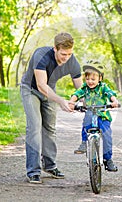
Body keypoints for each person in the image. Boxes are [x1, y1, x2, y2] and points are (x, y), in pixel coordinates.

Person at [20, 32, 82, 184]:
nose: (66, 58)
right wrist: (61, 101)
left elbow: (81, 88)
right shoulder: (41, 55)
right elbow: (41, 85)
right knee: (34, 127)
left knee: (50, 128)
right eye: (63, 54)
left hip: (49, 91)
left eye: (69, 54)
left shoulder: (72, 61)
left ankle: (49, 165)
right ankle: (33, 171)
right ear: (55, 48)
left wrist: (85, 102)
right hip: (31, 89)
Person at [69, 60, 119, 172]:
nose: (90, 81)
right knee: (86, 124)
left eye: (93, 79)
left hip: (102, 115)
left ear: (100, 78)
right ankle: (84, 143)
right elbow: (77, 94)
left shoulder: (103, 87)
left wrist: (114, 101)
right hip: (90, 113)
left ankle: (108, 160)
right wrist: (72, 103)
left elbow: (110, 94)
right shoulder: (85, 88)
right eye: (87, 79)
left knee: (106, 136)